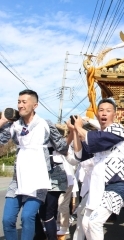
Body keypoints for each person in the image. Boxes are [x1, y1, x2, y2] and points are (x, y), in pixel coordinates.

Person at [73, 98, 124, 240]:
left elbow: (99, 138)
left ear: (115, 114)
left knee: (94, 222)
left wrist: (79, 127)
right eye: (101, 110)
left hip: (115, 185)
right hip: (97, 186)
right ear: (96, 114)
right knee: (85, 223)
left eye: (108, 111)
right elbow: (80, 155)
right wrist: (75, 131)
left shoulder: (117, 129)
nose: (104, 113)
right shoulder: (94, 137)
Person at [0, 89, 52, 240]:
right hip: (18, 179)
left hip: (38, 179)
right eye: (18, 102)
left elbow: (62, 147)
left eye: (24, 102)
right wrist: (3, 120)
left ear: (35, 105)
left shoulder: (45, 125)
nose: (20, 105)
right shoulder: (14, 125)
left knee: (27, 216)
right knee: (7, 220)